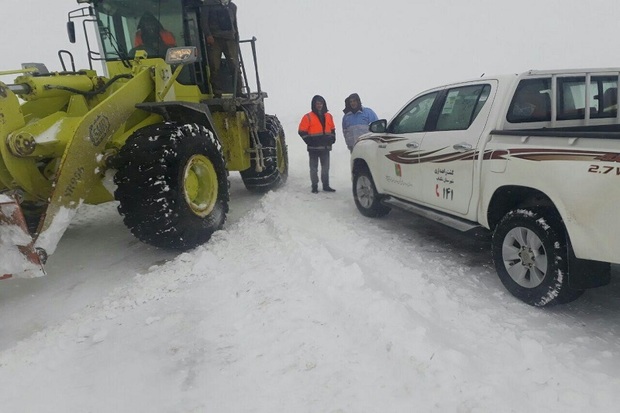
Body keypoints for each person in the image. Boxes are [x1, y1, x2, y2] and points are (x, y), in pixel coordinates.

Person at [200, 0, 243, 97]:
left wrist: (236, 37)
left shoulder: (232, 6)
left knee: (235, 65)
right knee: (214, 67)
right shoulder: (208, 5)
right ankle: (217, 92)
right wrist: (208, 35)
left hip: (230, 39)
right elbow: (204, 22)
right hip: (215, 40)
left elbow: (234, 23)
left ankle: (239, 91)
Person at [298, 95, 337, 193]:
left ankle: (326, 185)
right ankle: (314, 186)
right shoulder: (308, 117)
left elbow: (332, 129)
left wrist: (332, 138)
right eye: (317, 103)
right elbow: (301, 131)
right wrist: (309, 141)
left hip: (325, 148)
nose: (319, 105)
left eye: (321, 103)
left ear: (324, 104)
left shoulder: (329, 116)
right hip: (313, 148)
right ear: (314, 105)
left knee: (325, 168)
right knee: (313, 169)